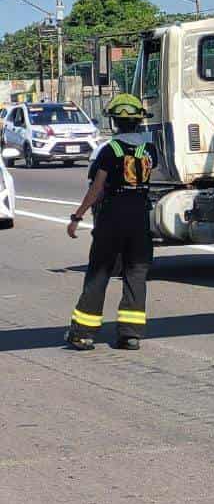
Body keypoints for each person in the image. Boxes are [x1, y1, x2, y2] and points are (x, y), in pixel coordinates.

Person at [64, 94, 157, 351]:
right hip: (140, 218)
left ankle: (83, 333)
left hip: (112, 218)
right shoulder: (149, 151)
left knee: (99, 273)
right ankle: (130, 335)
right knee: (136, 274)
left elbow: (97, 188)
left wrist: (78, 215)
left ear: (114, 122)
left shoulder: (109, 151)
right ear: (139, 121)